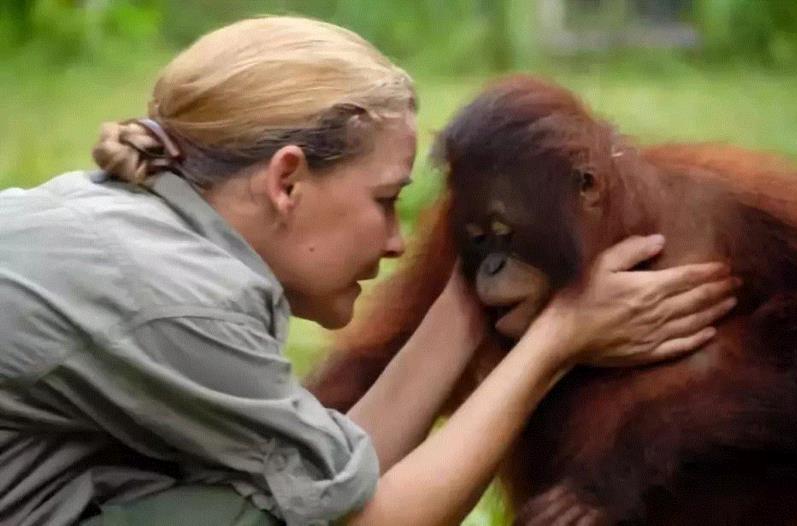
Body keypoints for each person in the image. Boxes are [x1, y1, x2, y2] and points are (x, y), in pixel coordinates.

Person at [0, 16, 739, 526]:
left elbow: (333, 474)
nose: (396, 243)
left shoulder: (138, 228)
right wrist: (559, 338)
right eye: (387, 201)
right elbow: (368, 518)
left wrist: (482, 257)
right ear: (287, 181)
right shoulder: (178, 303)